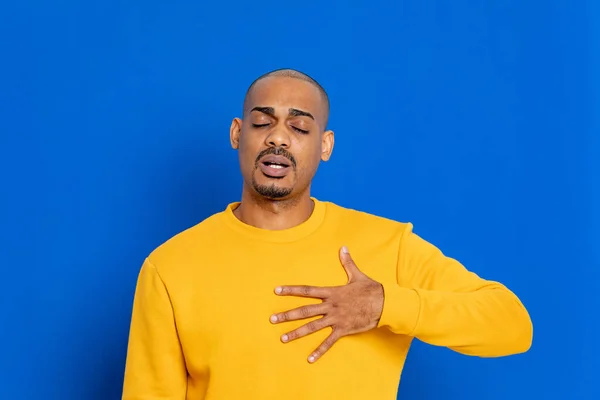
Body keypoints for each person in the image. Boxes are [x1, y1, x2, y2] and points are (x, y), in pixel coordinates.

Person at [121, 68, 533, 400]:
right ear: (236, 134)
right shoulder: (171, 266)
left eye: (300, 128)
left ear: (325, 145)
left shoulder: (387, 245)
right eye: (262, 122)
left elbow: (512, 325)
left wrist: (385, 305)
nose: (278, 137)